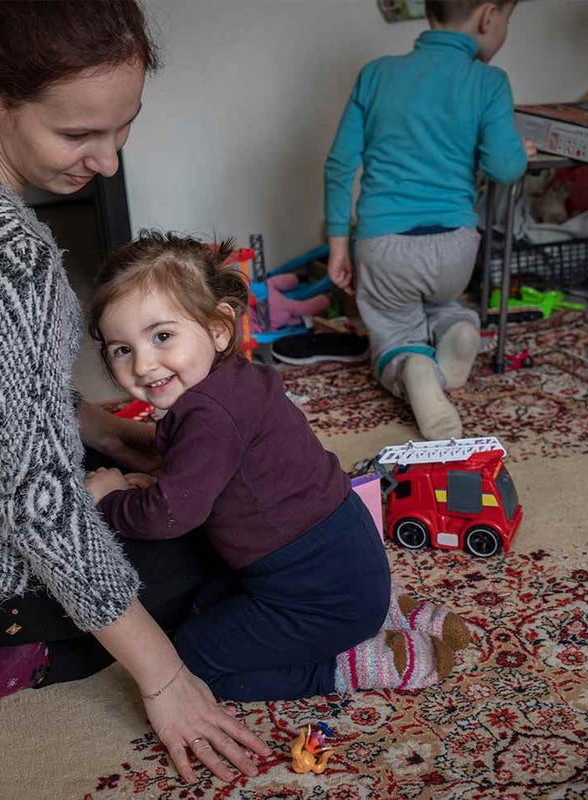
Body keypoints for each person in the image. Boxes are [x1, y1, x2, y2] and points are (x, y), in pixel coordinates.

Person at [0, 1, 269, 783]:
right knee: (233, 523)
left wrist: (104, 427)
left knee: (160, 470)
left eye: (122, 126)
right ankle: (25, 653)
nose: (106, 160)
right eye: (78, 135)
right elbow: (40, 508)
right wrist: (164, 681)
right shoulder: (9, 261)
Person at [86, 232, 473, 702]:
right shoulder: (238, 381)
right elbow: (197, 468)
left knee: (188, 662)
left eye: (162, 336)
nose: (144, 365)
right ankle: (383, 609)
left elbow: (171, 515)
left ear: (218, 329)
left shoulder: (208, 414)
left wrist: (110, 501)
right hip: (349, 563)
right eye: (121, 349)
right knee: (211, 607)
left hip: (318, 593)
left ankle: (343, 665)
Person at [323, 0, 535, 440]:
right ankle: (457, 328)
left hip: (385, 246)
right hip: (455, 246)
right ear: (487, 16)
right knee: (439, 302)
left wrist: (339, 243)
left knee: (393, 323)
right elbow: (503, 167)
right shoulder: (490, 81)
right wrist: (519, 153)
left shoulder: (377, 74)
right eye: (507, 22)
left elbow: (340, 165)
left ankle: (411, 364)